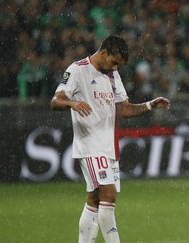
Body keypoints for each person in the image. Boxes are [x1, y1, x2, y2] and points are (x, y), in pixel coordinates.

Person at [50, 35, 170, 243]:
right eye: (114, 62)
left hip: (108, 147)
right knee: (109, 196)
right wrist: (72, 104)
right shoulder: (78, 70)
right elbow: (55, 100)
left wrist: (150, 104)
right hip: (90, 146)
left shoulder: (113, 74)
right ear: (104, 53)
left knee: (94, 200)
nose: (116, 67)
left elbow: (125, 109)